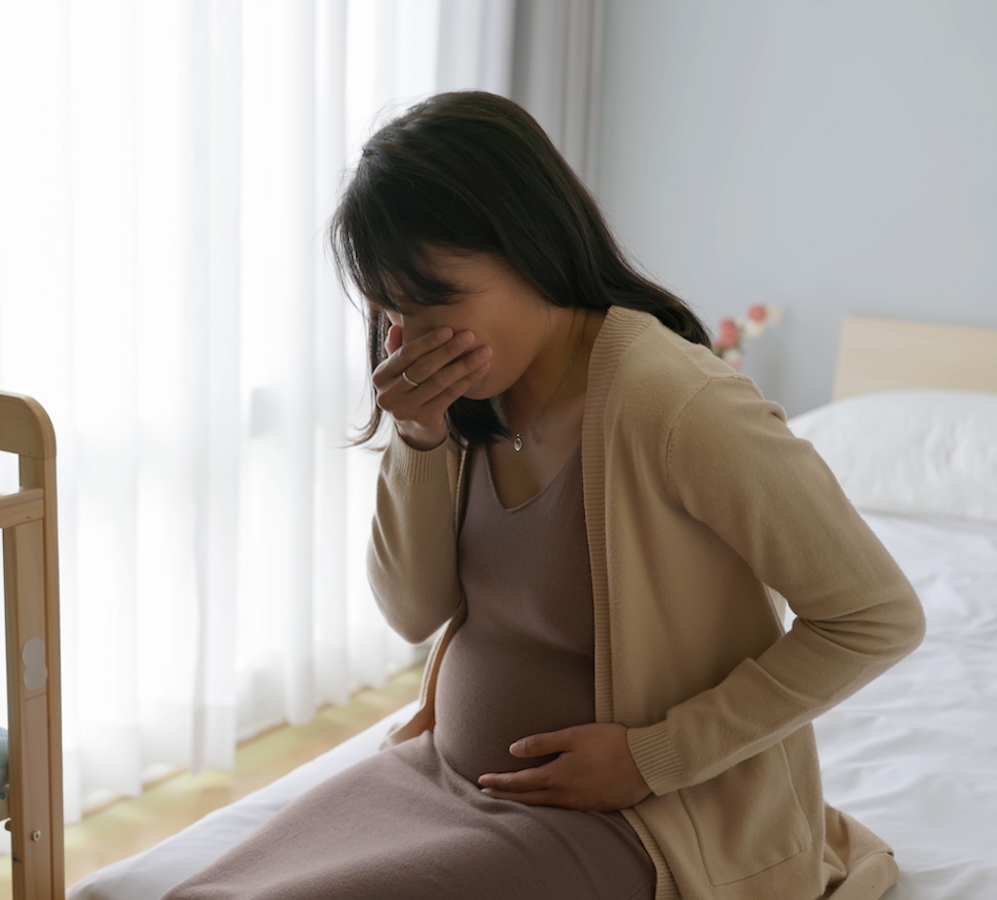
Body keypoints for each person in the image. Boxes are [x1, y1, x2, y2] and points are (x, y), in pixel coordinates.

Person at [167, 91, 924, 900]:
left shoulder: (673, 403)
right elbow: (413, 613)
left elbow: (877, 616)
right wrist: (417, 441)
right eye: (391, 309)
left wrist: (650, 758)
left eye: (436, 301)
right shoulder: (470, 393)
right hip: (446, 778)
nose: (408, 340)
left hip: (640, 823)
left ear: (529, 247)